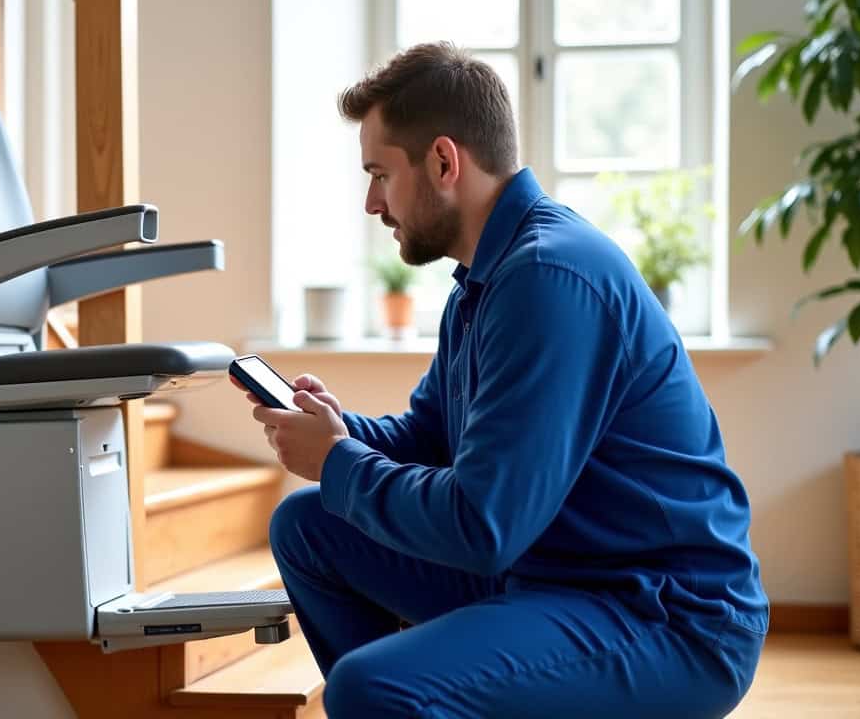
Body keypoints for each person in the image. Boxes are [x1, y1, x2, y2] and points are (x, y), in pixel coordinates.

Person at [231, 42, 768, 718]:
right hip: (550, 575)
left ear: (443, 162)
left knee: (372, 687)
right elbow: (432, 436)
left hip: (663, 614)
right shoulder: (484, 280)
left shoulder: (546, 278)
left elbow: (482, 527)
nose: (371, 202)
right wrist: (336, 432)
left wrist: (338, 463)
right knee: (310, 526)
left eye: (380, 174)